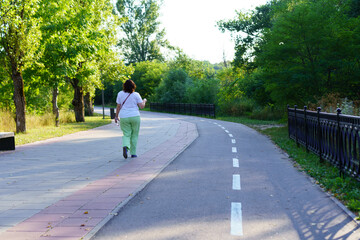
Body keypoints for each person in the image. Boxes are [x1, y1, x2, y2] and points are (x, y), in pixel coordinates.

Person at [115, 79, 147, 159]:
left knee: (126, 134)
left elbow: (118, 106)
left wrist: (116, 116)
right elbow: (142, 106)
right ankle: (133, 153)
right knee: (134, 135)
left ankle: (125, 146)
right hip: (135, 116)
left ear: (124, 86)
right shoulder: (136, 94)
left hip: (124, 117)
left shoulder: (120, 94)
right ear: (133, 86)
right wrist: (144, 101)